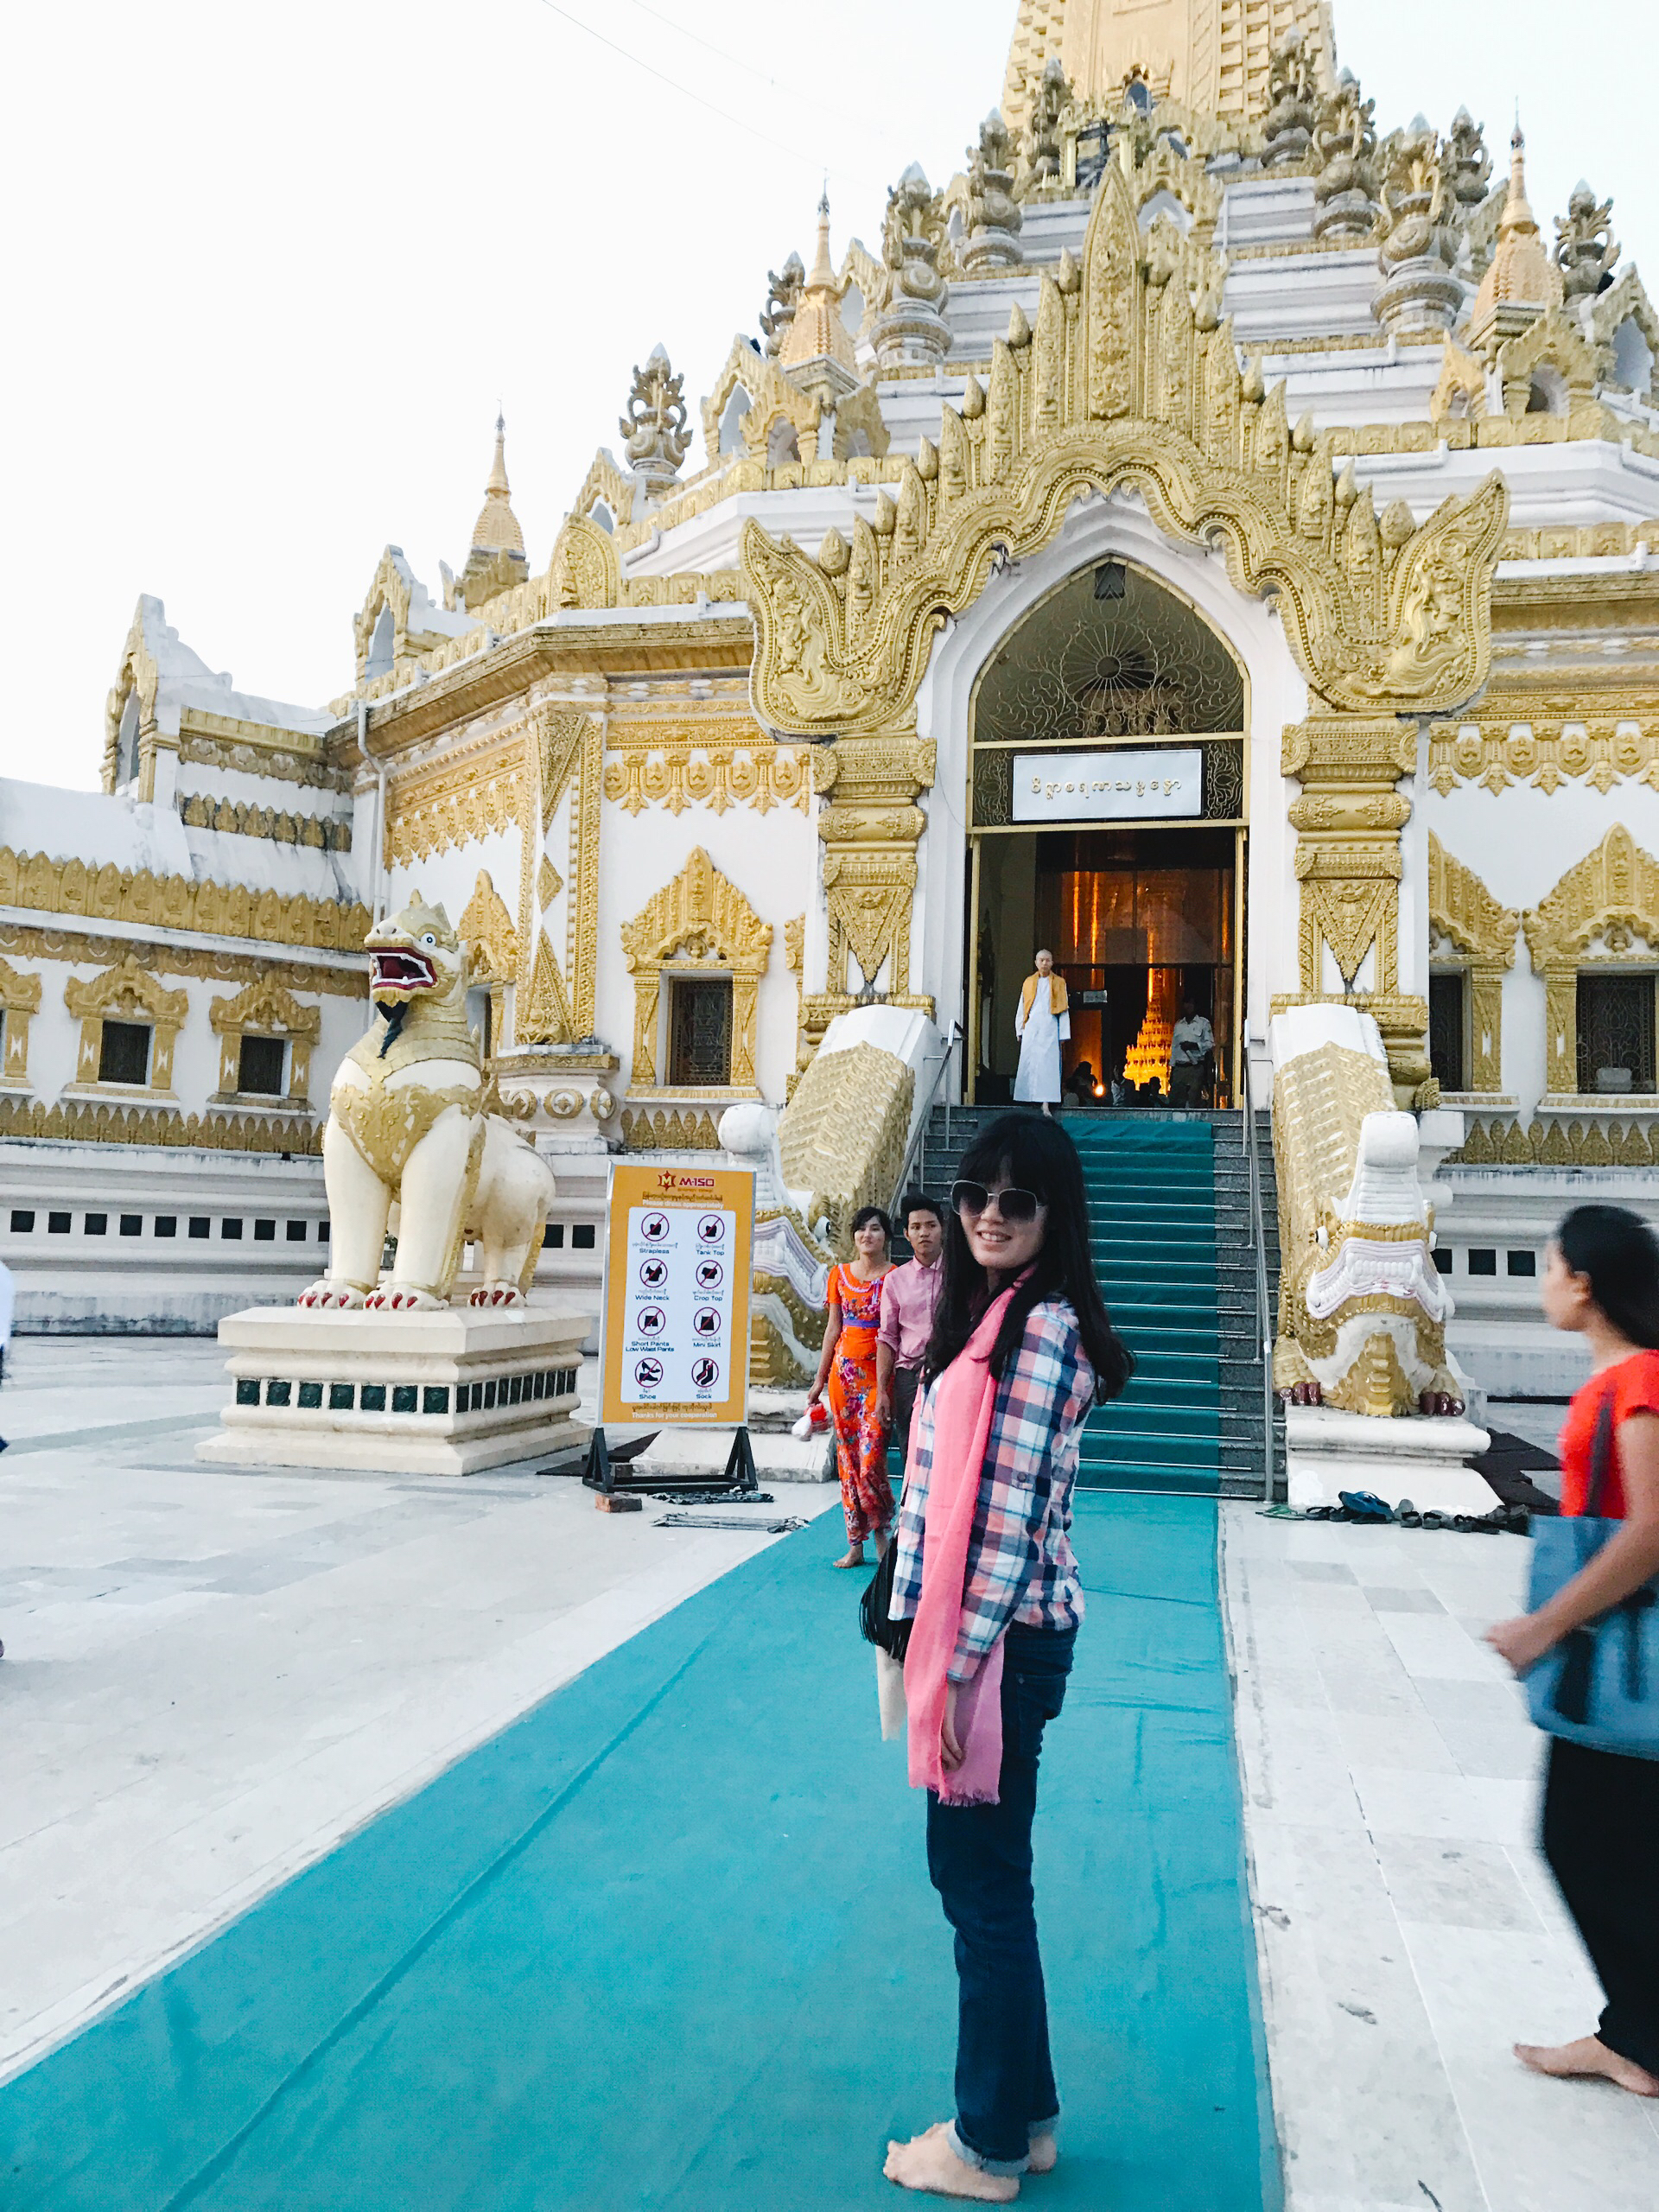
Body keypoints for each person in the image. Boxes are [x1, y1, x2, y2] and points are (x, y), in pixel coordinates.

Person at [883, 1113, 1133, 2200]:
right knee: (991, 1879)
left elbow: (996, 1527)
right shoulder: (994, 1320)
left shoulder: (1038, 1336)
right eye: (977, 1192)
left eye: (1017, 1200)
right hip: (989, 1637)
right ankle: (1024, 2115)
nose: (989, 1213)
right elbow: (937, 1498)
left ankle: (983, 2143)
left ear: (1053, 1217)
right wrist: (898, 1619)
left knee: (977, 1885)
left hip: (995, 1642)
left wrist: (949, 1673)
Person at [1486, 1205, 1659, 2100]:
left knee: (1583, 1841)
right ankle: (1630, 2031)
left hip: (1624, 1647)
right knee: (1610, 1843)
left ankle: (1636, 2035)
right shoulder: (1616, 1379)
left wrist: (1545, 1623)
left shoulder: (1638, 1383)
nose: (1543, 1280)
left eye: (1548, 1264)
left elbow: (1651, 1532)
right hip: (1610, 1642)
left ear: (1585, 1283)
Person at [806, 1204, 895, 1570]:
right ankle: (855, 1544)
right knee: (848, 1460)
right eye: (861, 1230)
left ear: (886, 1236)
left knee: (872, 1457)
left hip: (878, 1377)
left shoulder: (895, 1277)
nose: (867, 1236)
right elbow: (833, 1329)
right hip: (842, 1377)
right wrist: (818, 1378)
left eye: (875, 1229)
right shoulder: (839, 1275)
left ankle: (884, 1536)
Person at [876, 1192, 945, 1471]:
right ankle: (909, 1512)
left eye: (930, 1225)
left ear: (942, 1228)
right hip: (908, 1377)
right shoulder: (895, 1280)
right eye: (916, 1227)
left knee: (947, 1448)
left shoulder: (960, 1276)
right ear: (906, 1234)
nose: (924, 1233)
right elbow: (887, 1337)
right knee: (910, 1451)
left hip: (948, 1371)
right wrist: (883, 1390)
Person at [1013, 952, 1068, 1117]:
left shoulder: (1059, 983)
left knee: (1048, 1067)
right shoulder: (1029, 982)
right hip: (1031, 1028)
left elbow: (1064, 1010)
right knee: (1030, 1064)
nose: (1044, 963)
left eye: (1047, 960)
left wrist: (1063, 1034)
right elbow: (1022, 1007)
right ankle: (1029, 1099)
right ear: (1036, 963)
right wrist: (1020, 1029)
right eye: (1041, 960)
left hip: (1050, 1028)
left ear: (1052, 963)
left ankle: (1046, 1103)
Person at [1167, 996, 1214, 1109]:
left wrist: (1194, 1046)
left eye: (1190, 1004)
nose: (1188, 1006)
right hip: (1179, 1068)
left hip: (1195, 1067)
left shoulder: (1203, 1023)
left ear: (1195, 1006)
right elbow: (1174, 1049)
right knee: (1176, 1101)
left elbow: (1210, 1044)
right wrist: (1172, 1071)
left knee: (1194, 1100)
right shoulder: (1179, 1025)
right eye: (1185, 1004)